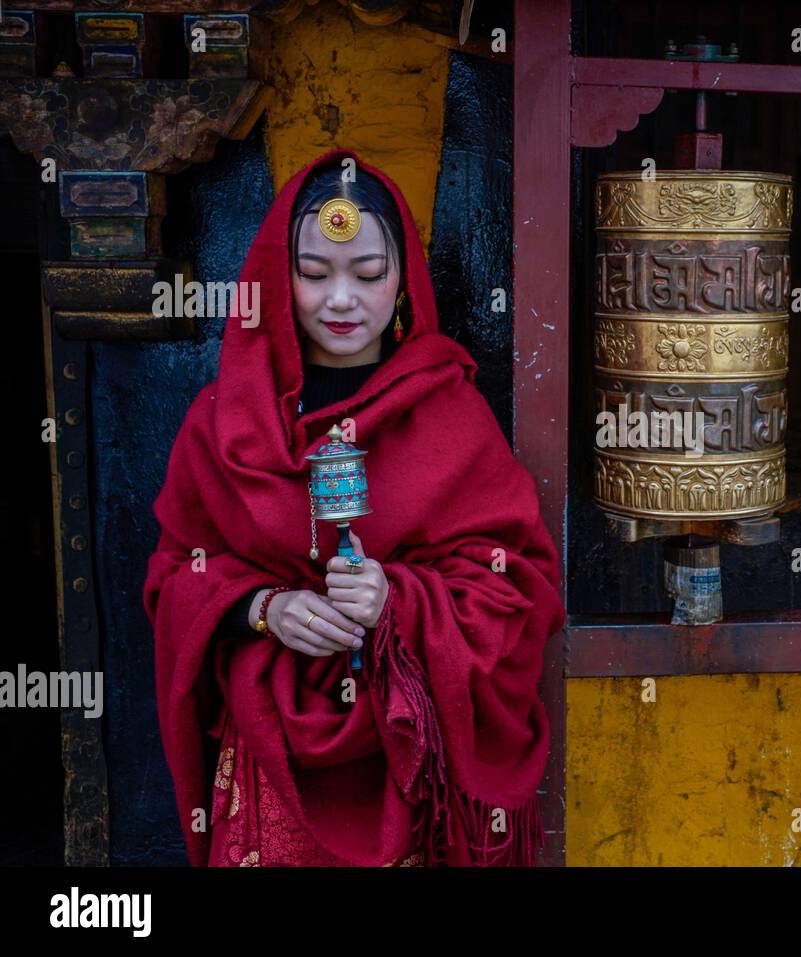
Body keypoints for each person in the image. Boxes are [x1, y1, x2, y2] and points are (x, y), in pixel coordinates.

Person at [143, 149, 565, 867]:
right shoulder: (220, 424)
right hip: (273, 745)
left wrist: (398, 599)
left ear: (402, 281)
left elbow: (520, 588)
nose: (342, 299)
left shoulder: (451, 415)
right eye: (313, 274)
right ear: (280, 280)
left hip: (409, 754)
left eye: (369, 275)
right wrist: (261, 608)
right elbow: (175, 574)